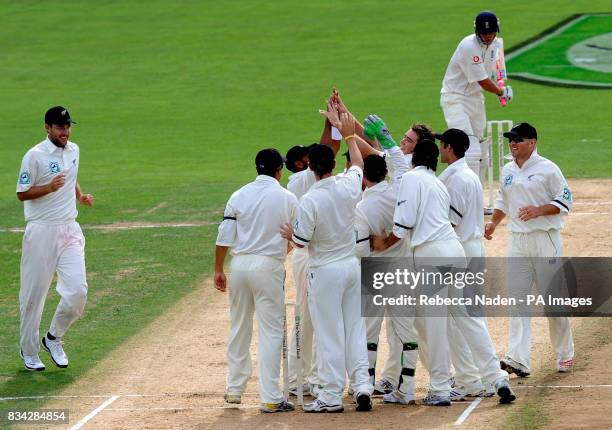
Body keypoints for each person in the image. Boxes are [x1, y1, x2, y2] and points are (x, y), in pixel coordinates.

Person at [282, 113, 374, 413]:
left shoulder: (309, 199)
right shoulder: (349, 184)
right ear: (333, 166)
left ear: (310, 167)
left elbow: (301, 242)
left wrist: (289, 232)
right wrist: (349, 136)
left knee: (329, 332)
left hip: (325, 271)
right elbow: (359, 164)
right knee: (354, 330)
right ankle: (362, 386)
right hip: (351, 266)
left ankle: (332, 395)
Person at [372, 139, 465, 406]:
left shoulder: (412, 179)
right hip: (453, 251)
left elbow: (403, 225)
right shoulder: (437, 182)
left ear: (414, 157)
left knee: (432, 325)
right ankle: (462, 380)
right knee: (445, 323)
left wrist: (381, 243)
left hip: (433, 255)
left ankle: (440, 388)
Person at [485, 122, 574, 376]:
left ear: (532, 142)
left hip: (545, 239)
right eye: (511, 140)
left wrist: (539, 210)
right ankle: (518, 359)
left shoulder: (548, 169)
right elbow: (503, 199)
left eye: (518, 140)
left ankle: (565, 353)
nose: (513, 144)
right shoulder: (507, 169)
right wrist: (494, 222)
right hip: (518, 242)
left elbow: (566, 199)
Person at [214, 148, 298, 413]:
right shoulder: (287, 198)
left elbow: (225, 234)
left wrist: (218, 269)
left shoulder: (239, 194)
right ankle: (271, 396)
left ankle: (234, 390)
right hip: (268, 267)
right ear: (279, 170)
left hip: (239, 266)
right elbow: (299, 237)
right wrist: (284, 251)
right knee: (271, 331)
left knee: (239, 327)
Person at [437, 128, 515, 404]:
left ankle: (487, 376)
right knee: (459, 318)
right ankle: (472, 378)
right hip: (470, 249)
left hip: (461, 251)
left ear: (449, 148)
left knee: (464, 318)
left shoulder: (457, 179)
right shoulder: (466, 174)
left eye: (442, 144)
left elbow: (449, 222)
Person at [16, 106, 94, 371]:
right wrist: (48, 188)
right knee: (33, 296)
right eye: (60, 127)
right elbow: (22, 193)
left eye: (67, 127)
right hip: (41, 231)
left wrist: (80, 196)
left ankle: (53, 338)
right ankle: (29, 351)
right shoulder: (34, 156)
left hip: (69, 228)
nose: (65, 132)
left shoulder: (74, 150)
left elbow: (70, 176)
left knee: (77, 292)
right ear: (47, 128)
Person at [354, 153, 413, 398]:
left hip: (374, 272)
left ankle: (365, 386)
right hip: (402, 268)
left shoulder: (362, 206)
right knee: (406, 331)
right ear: (384, 173)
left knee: (369, 331)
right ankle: (407, 388)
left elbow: (359, 249)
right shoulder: (399, 193)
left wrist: (367, 241)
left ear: (364, 177)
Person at [440, 11, 513, 180]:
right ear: (477, 31)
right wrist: (501, 92)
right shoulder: (468, 46)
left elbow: (494, 71)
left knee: (482, 145)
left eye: (491, 32)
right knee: (469, 144)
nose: (488, 36)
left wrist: (501, 85)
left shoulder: (496, 44)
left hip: (475, 98)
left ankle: (477, 193)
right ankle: (468, 192)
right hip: (455, 98)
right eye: (484, 33)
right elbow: (482, 81)